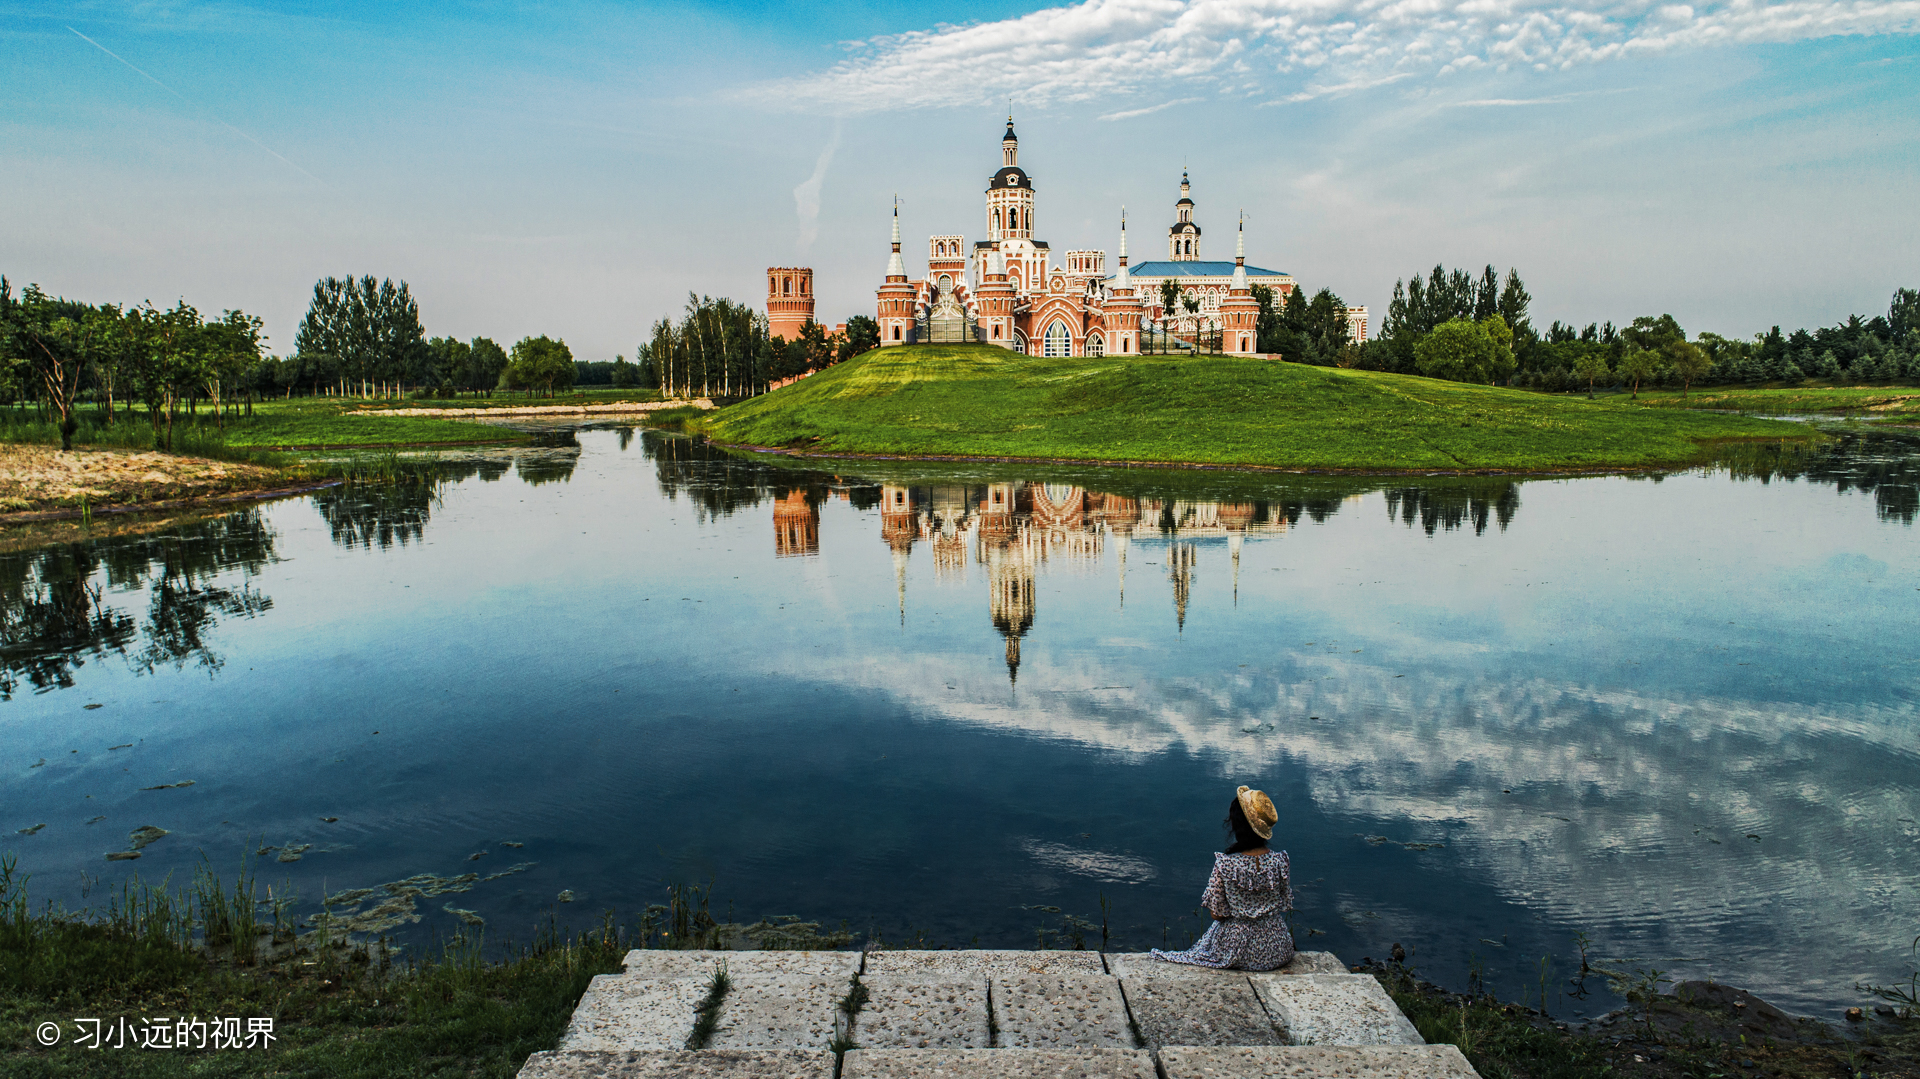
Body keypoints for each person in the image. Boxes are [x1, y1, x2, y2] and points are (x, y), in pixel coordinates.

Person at [1150, 785, 1295, 970]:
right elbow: (1283, 904)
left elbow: (1217, 914)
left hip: (1239, 950)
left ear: (1237, 825)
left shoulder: (1226, 864)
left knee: (1197, 951)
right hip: (1277, 948)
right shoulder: (1281, 861)